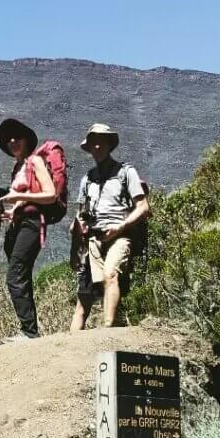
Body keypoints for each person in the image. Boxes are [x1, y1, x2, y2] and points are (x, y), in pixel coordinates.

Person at [70, 123, 149, 330]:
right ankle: (68, 347)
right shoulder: (88, 179)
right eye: (93, 143)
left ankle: (107, 331)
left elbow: (143, 207)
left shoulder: (126, 172)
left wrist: (121, 226)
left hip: (119, 235)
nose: (96, 147)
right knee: (84, 297)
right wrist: (74, 250)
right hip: (93, 241)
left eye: (100, 142)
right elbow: (79, 217)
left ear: (109, 144)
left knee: (110, 274)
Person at [0, 117, 57, 341]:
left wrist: (18, 196)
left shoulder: (35, 161)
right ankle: (30, 330)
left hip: (32, 223)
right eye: (8, 139)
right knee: (22, 276)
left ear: (27, 140)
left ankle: (29, 332)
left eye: (16, 137)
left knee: (14, 275)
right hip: (19, 223)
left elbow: (50, 195)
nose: (12, 141)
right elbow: (24, 201)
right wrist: (7, 212)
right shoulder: (18, 167)